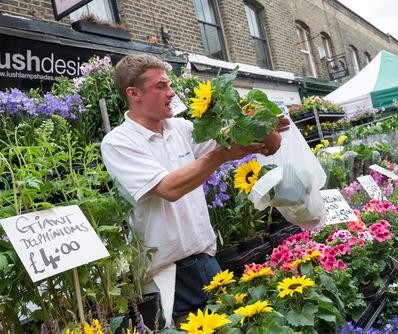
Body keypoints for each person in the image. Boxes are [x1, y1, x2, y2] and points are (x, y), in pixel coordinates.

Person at [100, 53, 288, 329]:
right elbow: (168, 188)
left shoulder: (182, 128)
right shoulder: (118, 142)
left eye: (169, 84)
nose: (171, 92)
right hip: (170, 275)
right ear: (134, 93)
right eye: (161, 86)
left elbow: (239, 142)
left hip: (207, 261)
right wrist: (219, 156)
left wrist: (263, 126)